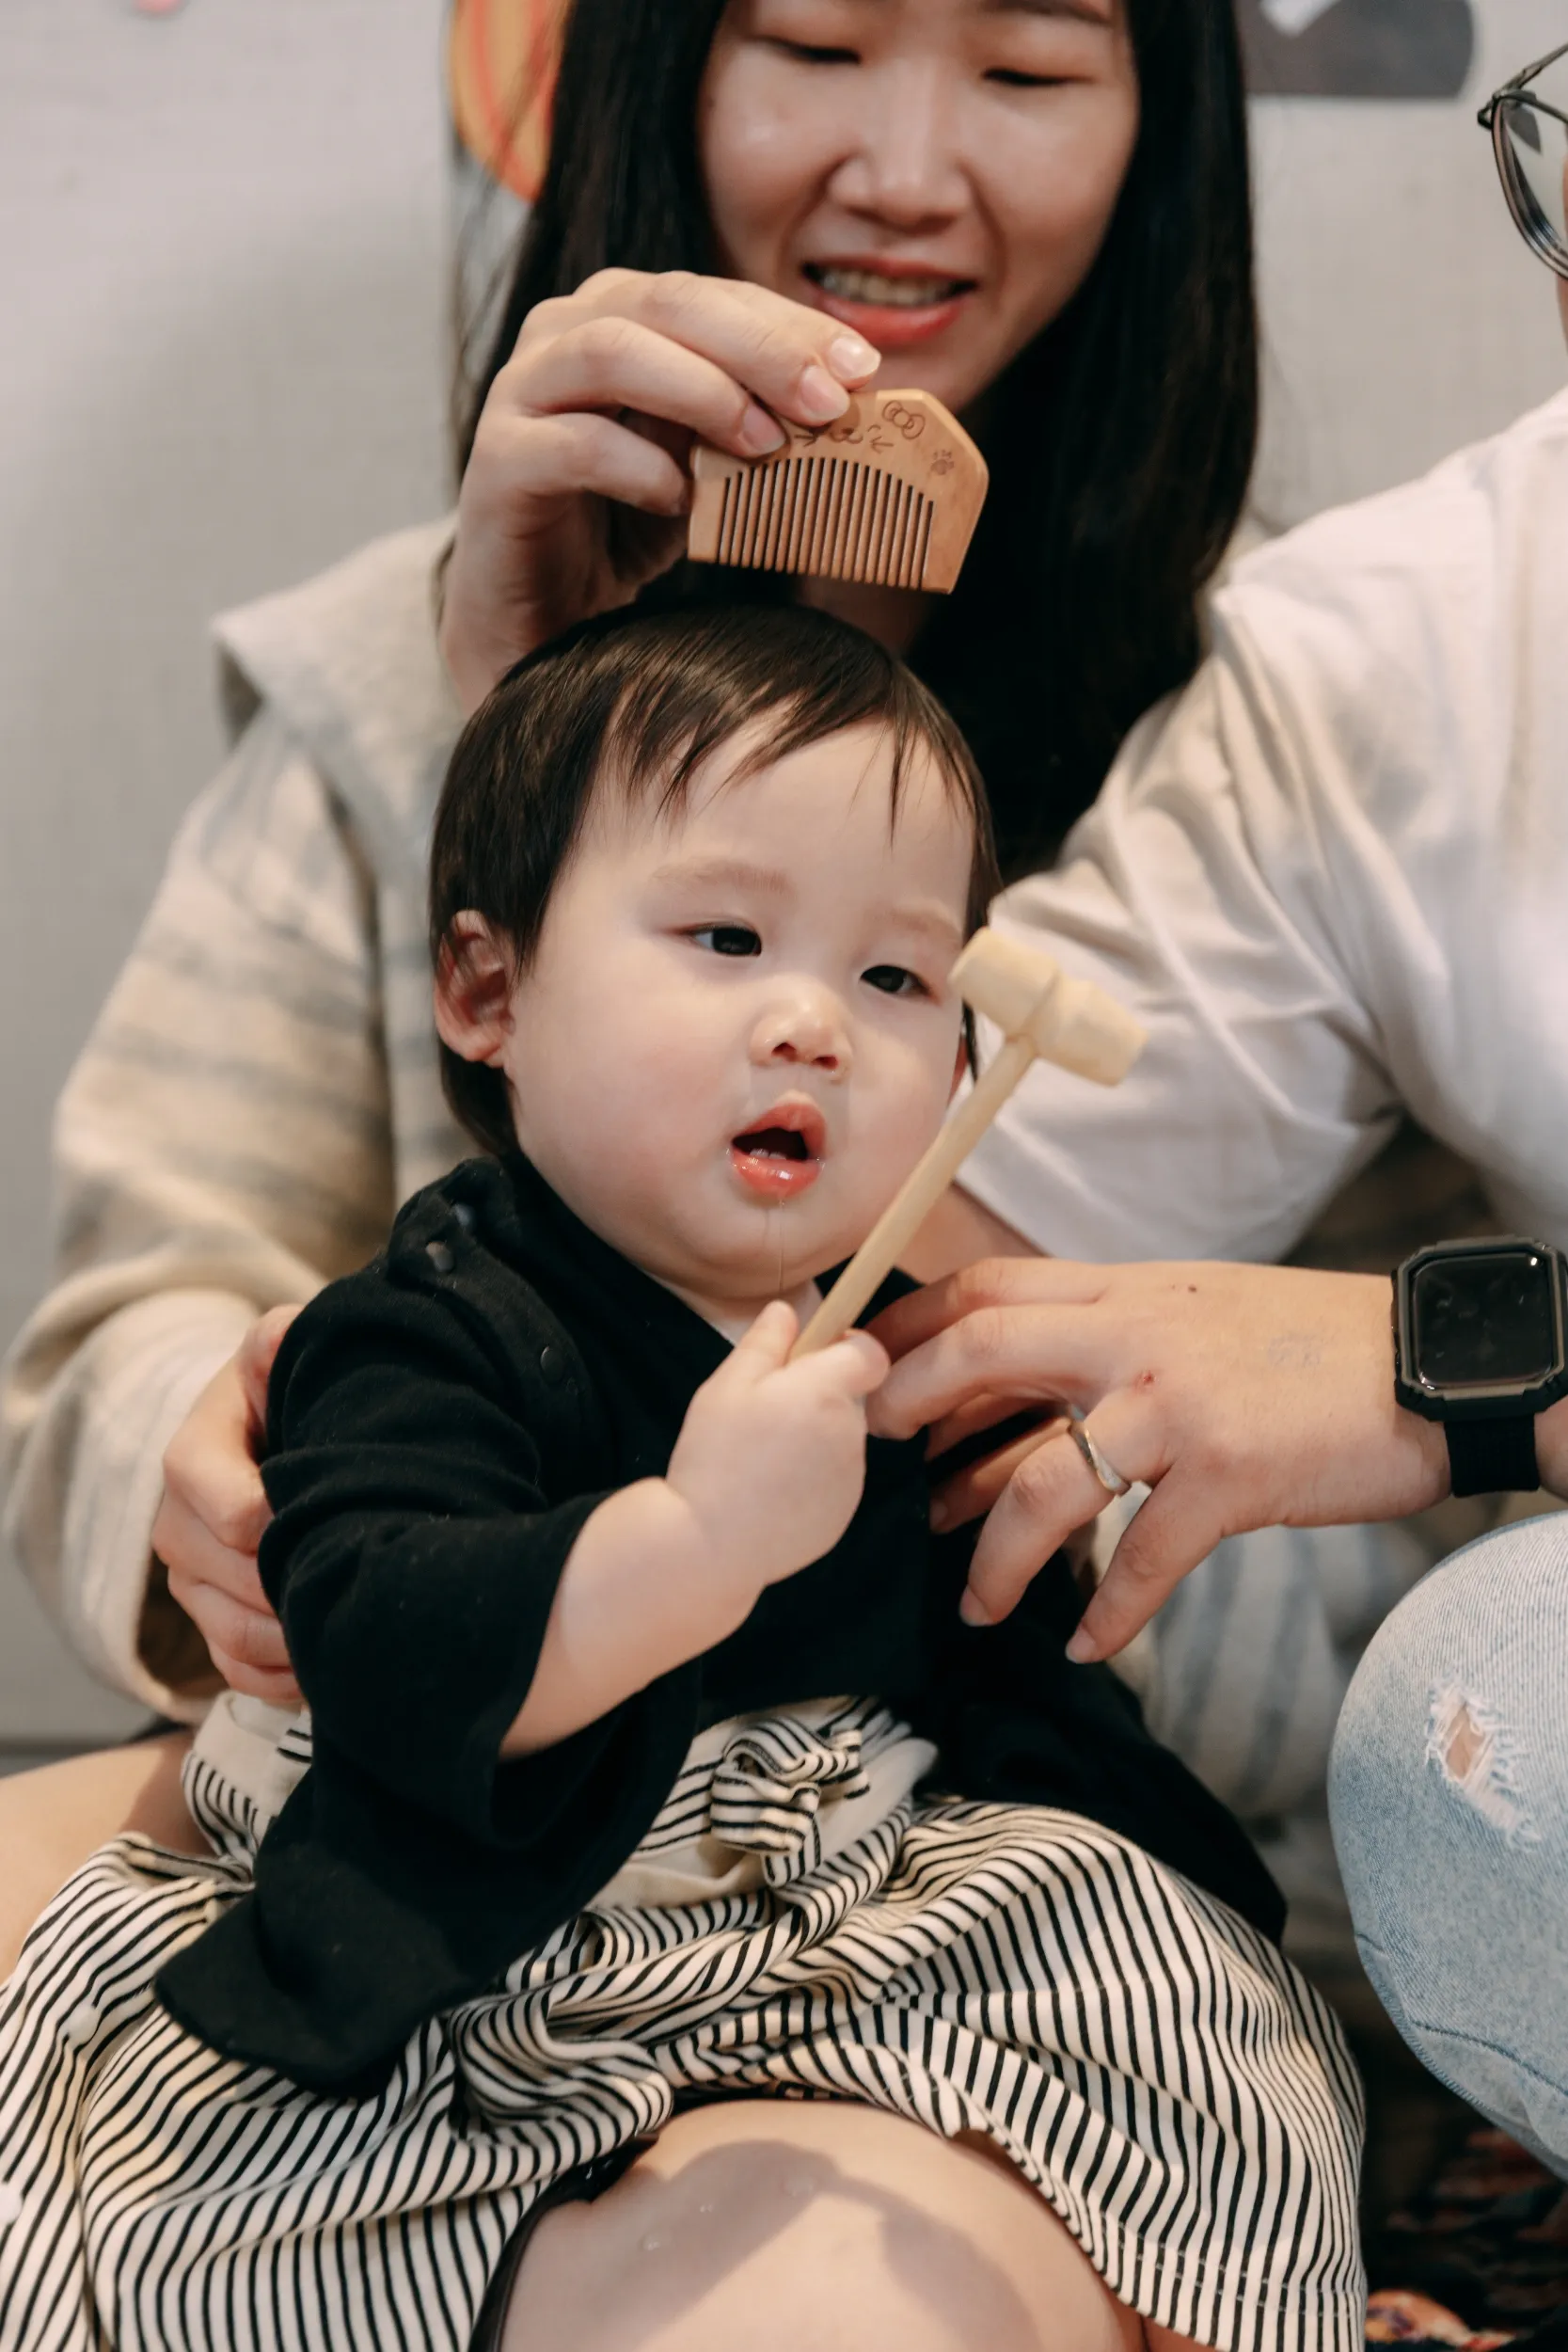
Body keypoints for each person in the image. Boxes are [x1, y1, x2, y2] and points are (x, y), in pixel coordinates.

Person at [0, 0, 1259, 1976]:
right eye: (812, 42)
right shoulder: (386, 676)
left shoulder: (1273, 719)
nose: (905, 174)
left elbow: (1357, 1485)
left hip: (956, 1858)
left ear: (1156, 130)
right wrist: (239, 1485)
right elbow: (116, 1346)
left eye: (1025, 68)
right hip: (432, 1810)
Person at [0, 604, 1360, 2352]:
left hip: (853, 1898)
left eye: (894, 980)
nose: (813, 1026)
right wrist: (697, 1541)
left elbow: (995, 1670)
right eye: (726, 938)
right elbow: (405, 1657)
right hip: (498, 1926)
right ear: (487, 991)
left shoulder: (894, 1343)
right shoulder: (423, 1327)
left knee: (1170, 2023)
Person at [854, 35, 1568, 2189]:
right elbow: (921, 1265)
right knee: (1499, 1721)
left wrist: (1468, 1374)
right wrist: (618, 722)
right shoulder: (1397, 653)